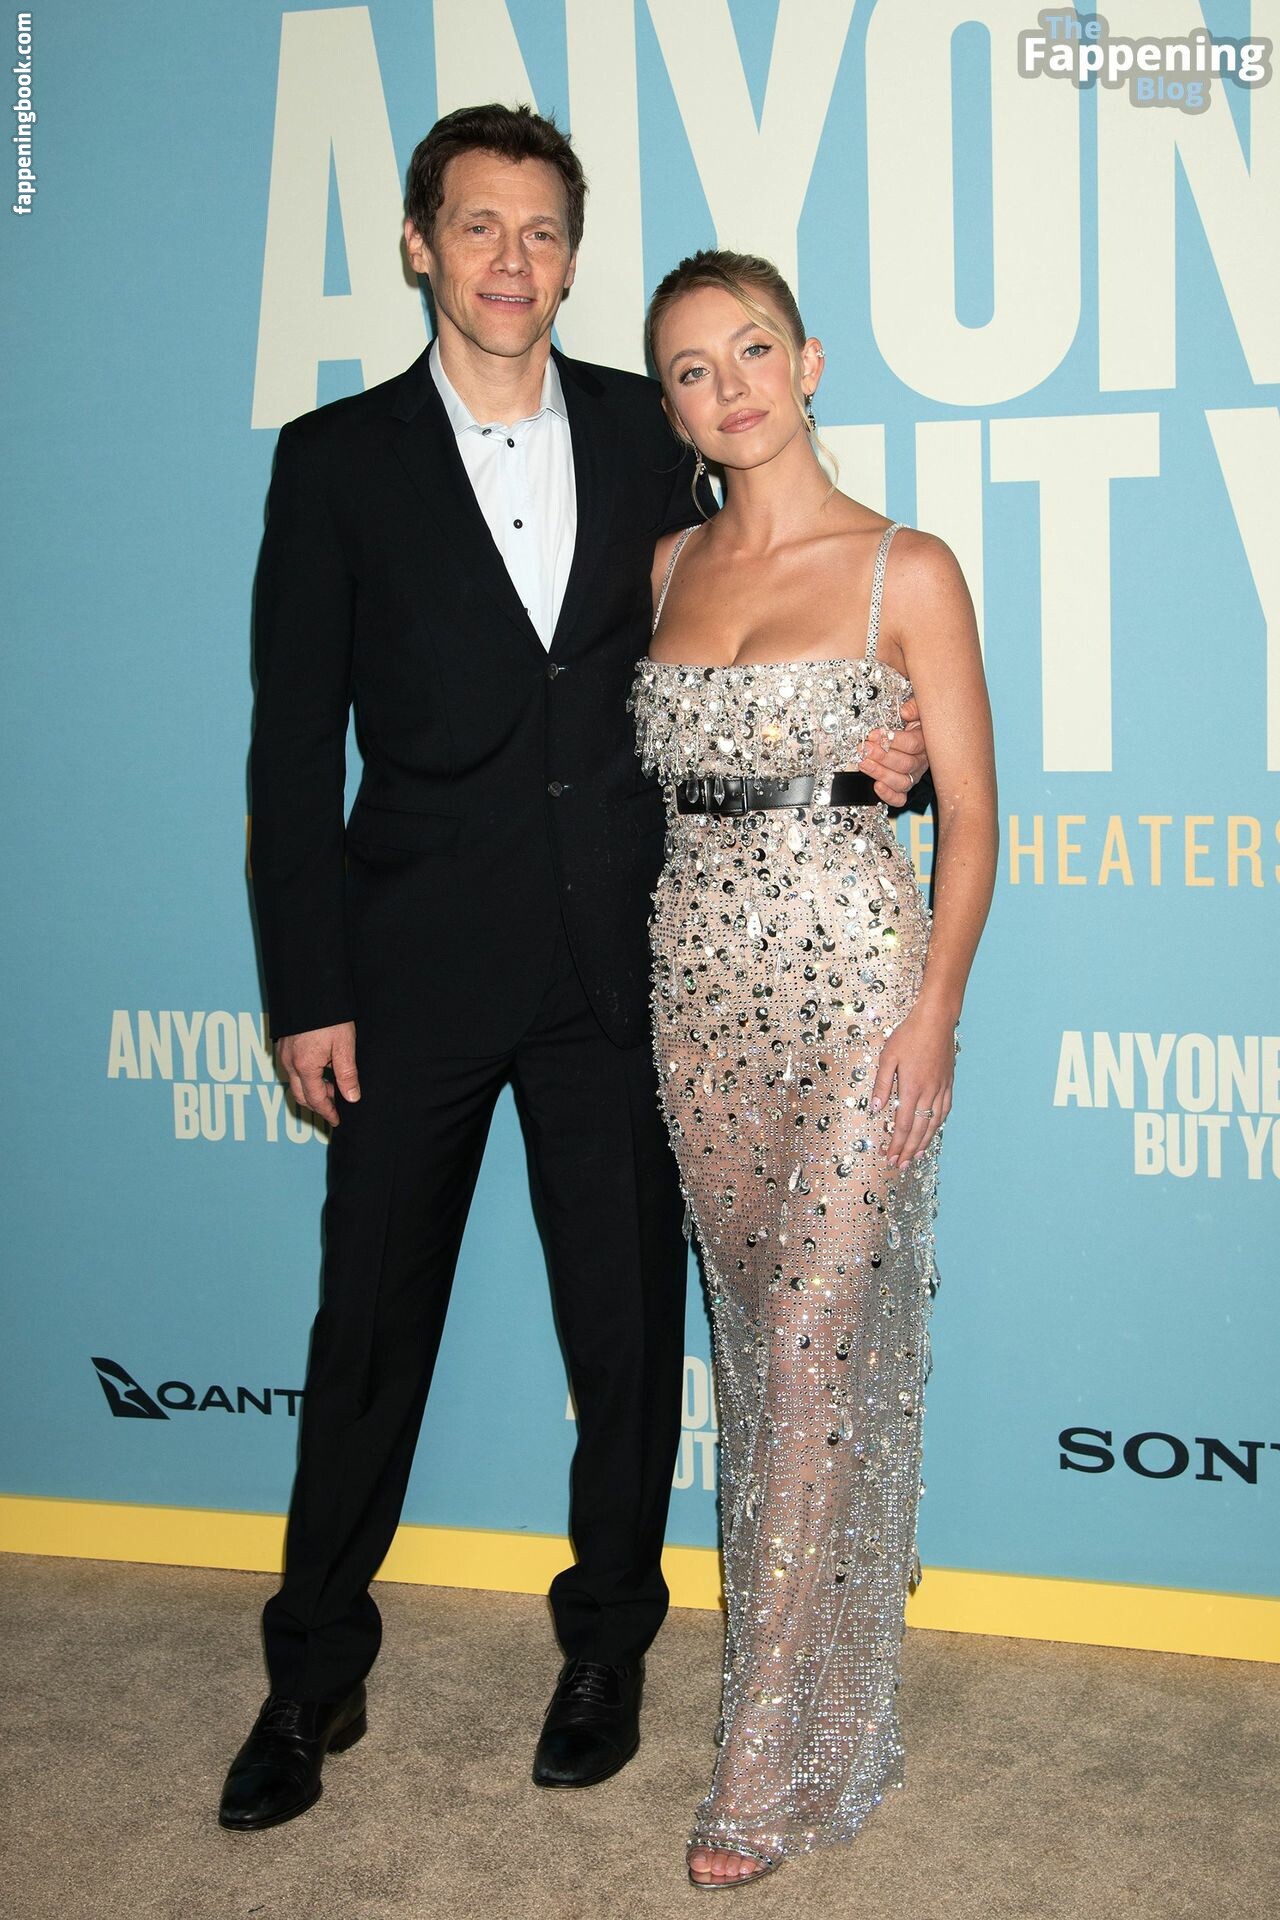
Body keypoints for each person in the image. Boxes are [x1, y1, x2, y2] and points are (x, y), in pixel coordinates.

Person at [219, 111, 929, 1832]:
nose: (511, 261)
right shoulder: (334, 460)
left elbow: (759, 635)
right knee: (366, 1333)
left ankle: (608, 1646)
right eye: (479, 227)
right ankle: (311, 1675)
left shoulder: (649, 426)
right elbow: (289, 750)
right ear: (419, 245)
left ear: (570, 258)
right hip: (408, 976)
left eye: (541, 232)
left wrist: (878, 748)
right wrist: (308, 988)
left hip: (626, 974)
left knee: (623, 1341)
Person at [632, 250, 997, 1887]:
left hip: (859, 994)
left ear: (811, 361)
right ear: (672, 407)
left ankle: (763, 1756)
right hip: (698, 1000)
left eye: (753, 351)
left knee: (808, 1354)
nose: (732, 389)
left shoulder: (903, 568)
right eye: (693, 371)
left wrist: (935, 1012)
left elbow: (972, 816)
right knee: (756, 1348)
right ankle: (819, 1671)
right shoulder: (666, 565)